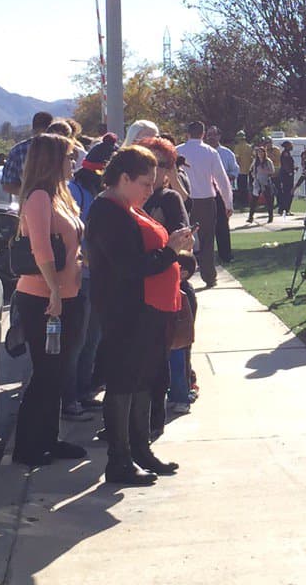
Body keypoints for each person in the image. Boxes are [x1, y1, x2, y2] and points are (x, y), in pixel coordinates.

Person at [86, 145, 194, 485]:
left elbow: (150, 255)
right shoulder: (107, 212)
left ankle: (140, 449)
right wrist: (169, 253)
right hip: (126, 311)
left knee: (145, 379)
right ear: (123, 178)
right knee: (123, 382)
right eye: (145, 183)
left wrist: (176, 254)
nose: (151, 190)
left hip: (149, 311)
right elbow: (129, 266)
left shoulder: (129, 208)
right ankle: (119, 460)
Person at [10, 133, 88, 466]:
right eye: (69, 157)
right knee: (44, 373)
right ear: (52, 160)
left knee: (57, 372)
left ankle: (49, 439)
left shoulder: (61, 196)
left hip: (69, 294)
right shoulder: (38, 197)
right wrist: (55, 290)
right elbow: (40, 247)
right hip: (43, 298)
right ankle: (27, 447)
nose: (74, 163)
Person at [139, 137, 199, 418]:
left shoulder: (169, 198)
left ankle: (179, 393)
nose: (155, 171)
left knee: (176, 343)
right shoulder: (128, 198)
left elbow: (185, 242)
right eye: (150, 162)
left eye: (162, 165)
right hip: (137, 284)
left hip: (168, 281)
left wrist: (175, 249)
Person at [62, 133, 118, 422]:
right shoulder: (75, 191)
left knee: (93, 336)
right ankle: (69, 398)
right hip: (81, 274)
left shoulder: (104, 193)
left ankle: (84, 391)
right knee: (78, 338)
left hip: (101, 275)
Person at [176, 121, 233, 288]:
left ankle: (181, 274)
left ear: (188, 133)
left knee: (183, 238)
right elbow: (221, 179)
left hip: (184, 199)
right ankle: (209, 276)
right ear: (203, 134)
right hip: (206, 199)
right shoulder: (210, 152)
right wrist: (227, 202)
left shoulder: (178, 151)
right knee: (207, 239)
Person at [206, 126, 239, 265]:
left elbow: (235, 170)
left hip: (222, 192)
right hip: (206, 193)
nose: (211, 137)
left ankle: (225, 255)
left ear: (219, 136)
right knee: (205, 226)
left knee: (222, 225)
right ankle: (205, 256)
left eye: (214, 134)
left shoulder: (226, 153)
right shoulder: (204, 152)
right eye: (209, 135)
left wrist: (226, 178)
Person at [1, 111, 54, 196]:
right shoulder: (59, 150)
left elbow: (7, 185)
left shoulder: (17, 151)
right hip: (55, 204)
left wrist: (27, 194)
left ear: (32, 129)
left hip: (28, 204)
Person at [248, 145, 275, 224]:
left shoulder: (268, 161)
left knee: (269, 200)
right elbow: (251, 170)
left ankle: (270, 217)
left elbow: (272, 171)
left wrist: (265, 171)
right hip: (257, 183)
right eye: (259, 152)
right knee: (254, 200)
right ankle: (250, 217)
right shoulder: (255, 161)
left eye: (261, 152)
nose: (260, 154)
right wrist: (254, 175)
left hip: (265, 182)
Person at [234, 130, 254, 208]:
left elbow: (237, 158)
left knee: (241, 187)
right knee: (246, 187)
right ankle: (246, 202)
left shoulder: (238, 147)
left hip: (240, 170)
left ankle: (242, 202)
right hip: (248, 170)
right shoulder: (249, 147)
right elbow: (252, 158)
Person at [277, 141, 296, 216]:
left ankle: (284, 209)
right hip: (286, 176)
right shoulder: (285, 154)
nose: (292, 146)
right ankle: (285, 209)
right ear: (287, 146)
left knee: (287, 192)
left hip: (286, 175)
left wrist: (293, 168)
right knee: (288, 192)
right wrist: (289, 172)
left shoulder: (287, 153)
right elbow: (285, 164)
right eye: (290, 145)